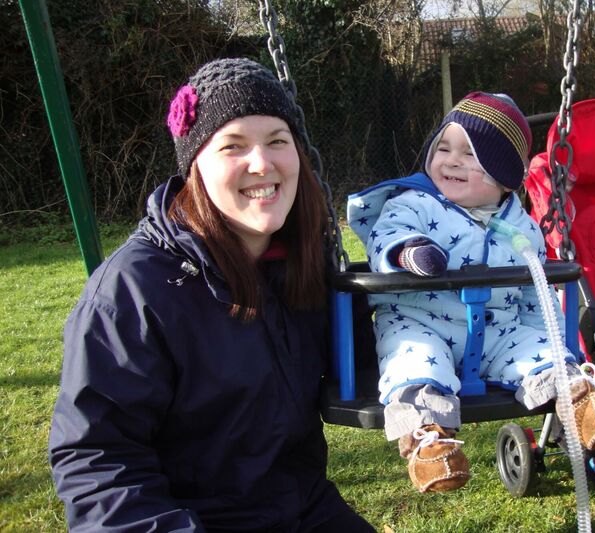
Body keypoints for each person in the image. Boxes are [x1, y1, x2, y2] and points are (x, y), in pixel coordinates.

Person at [49, 57, 375, 532]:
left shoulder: (302, 261)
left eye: (277, 141)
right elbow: (97, 463)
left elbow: (365, 358)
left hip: (303, 509)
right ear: (195, 167)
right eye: (233, 146)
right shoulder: (134, 292)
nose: (261, 163)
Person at [347, 92, 595, 493]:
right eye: (443, 148)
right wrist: (409, 251)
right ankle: (429, 443)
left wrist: (553, 341)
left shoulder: (521, 226)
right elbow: (388, 233)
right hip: (419, 324)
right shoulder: (413, 202)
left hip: (497, 332)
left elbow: (535, 294)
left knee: (544, 355)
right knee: (413, 365)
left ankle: (582, 405)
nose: (451, 160)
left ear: (503, 176)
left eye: (471, 155)